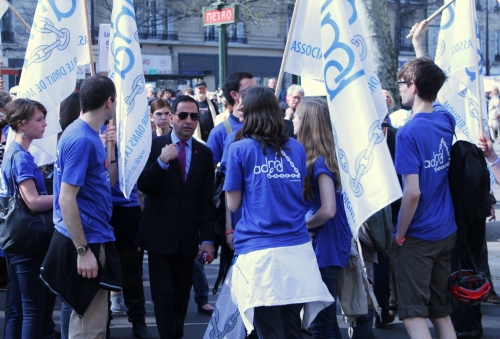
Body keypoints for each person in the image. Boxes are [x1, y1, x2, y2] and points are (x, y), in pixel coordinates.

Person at [223, 86, 333, 338]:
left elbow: (233, 204)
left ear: (248, 112)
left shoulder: (239, 149)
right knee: (291, 327)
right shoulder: (296, 148)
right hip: (297, 249)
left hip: (259, 252)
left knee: (270, 330)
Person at [40, 75, 121, 339]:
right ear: (109, 101)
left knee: (90, 324)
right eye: (116, 100)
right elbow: (66, 198)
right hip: (87, 239)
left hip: (91, 235)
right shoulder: (82, 139)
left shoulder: (83, 134)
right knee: (89, 329)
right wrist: (83, 250)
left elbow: (102, 183)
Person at [136, 95, 215, 338]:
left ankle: (176, 334)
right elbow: (144, 185)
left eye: (194, 116)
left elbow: (206, 201)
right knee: (162, 296)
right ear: (172, 118)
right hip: (159, 237)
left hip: (188, 238)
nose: (189, 121)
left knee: (182, 294)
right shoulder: (153, 146)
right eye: (183, 115)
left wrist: (208, 239)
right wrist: (161, 161)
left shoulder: (204, 152)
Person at [394, 56, 457, 339]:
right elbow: (435, 92)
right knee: (440, 311)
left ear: (414, 86)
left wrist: (399, 234)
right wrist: (419, 48)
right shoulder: (445, 119)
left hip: (418, 236)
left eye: (402, 84)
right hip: (446, 230)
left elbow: (413, 193)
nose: (399, 90)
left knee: (413, 314)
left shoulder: (408, 133)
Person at [294, 99, 352, 339]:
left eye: (296, 116)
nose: (292, 120)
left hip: (325, 245)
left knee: (320, 322)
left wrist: (301, 226)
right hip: (326, 244)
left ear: (307, 123)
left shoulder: (320, 162)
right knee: (324, 320)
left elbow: (328, 210)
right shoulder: (322, 158)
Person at [0, 99, 52, 338]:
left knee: (18, 308)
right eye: (39, 120)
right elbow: (32, 201)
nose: (44, 125)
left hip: (17, 237)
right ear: (21, 124)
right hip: (26, 240)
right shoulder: (20, 156)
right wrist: (67, 196)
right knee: (32, 309)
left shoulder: (15, 152)